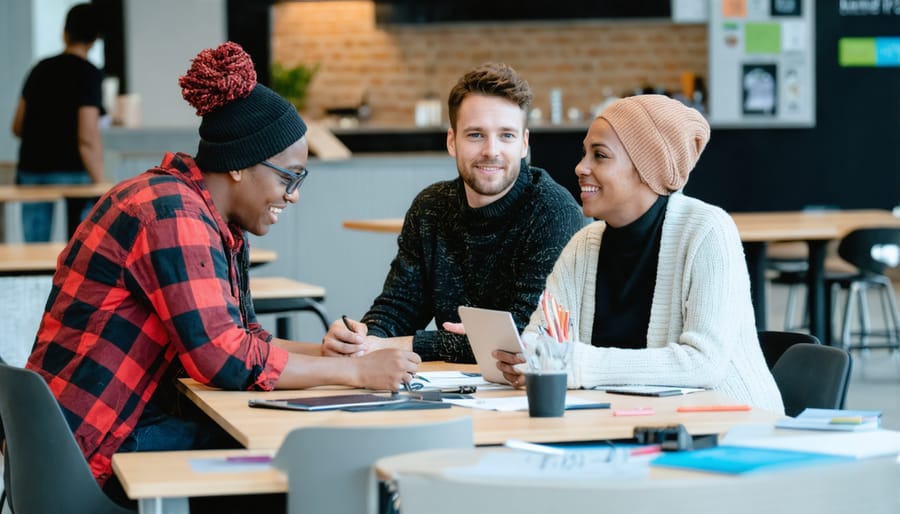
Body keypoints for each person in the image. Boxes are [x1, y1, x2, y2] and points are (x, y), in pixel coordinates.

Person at [25, 42, 420, 506]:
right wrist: (354, 373)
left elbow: (241, 337)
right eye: (288, 177)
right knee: (290, 466)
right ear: (239, 164)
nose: (293, 196)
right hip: (95, 443)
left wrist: (330, 352)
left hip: (82, 433)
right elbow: (224, 358)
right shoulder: (172, 213)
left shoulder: (199, 212)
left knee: (274, 450)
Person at [496, 94, 784, 414]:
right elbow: (540, 340)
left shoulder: (707, 231)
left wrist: (578, 364)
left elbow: (704, 364)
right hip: (627, 424)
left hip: (730, 429)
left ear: (648, 168)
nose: (581, 167)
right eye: (584, 154)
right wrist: (528, 359)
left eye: (600, 155)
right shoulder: (583, 245)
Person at [323, 62, 583, 363]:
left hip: (533, 394)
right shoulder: (431, 208)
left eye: (506, 136)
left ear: (524, 144)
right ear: (451, 141)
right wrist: (361, 339)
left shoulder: (554, 212)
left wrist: (407, 345)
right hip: (452, 389)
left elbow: (523, 339)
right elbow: (399, 307)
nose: (491, 150)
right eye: (475, 135)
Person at [11, 3, 105, 242]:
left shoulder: (40, 69)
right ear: (95, 39)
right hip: (72, 173)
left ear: (65, 33)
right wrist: (102, 184)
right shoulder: (89, 74)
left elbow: (17, 126)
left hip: (32, 170)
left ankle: (34, 281)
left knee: (34, 249)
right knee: (77, 250)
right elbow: (86, 136)